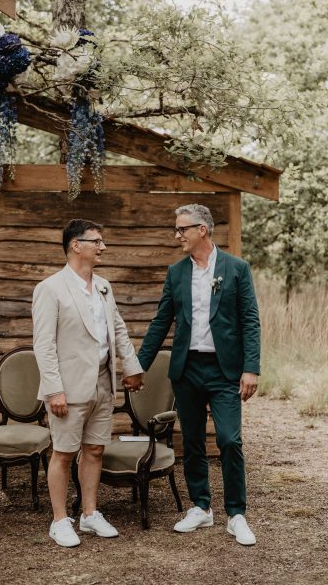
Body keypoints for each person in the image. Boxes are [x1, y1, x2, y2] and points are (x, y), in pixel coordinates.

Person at [138, 204, 260, 546]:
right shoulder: (176, 272)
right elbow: (162, 321)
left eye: (182, 229)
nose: (178, 235)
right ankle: (201, 507)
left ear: (202, 230)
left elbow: (250, 320)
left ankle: (236, 514)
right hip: (187, 369)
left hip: (225, 371)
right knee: (190, 441)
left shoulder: (236, 268)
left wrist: (251, 368)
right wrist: (138, 365)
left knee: (229, 439)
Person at [32, 218, 143, 547]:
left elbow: (118, 330)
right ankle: (59, 520)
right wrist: (54, 390)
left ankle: (90, 514)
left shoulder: (104, 286)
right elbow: (44, 344)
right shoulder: (50, 289)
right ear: (75, 245)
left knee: (94, 450)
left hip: (102, 384)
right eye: (97, 241)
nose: (103, 247)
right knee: (64, 454)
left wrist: (132, 367)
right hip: (67, 388)